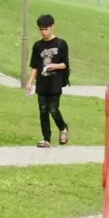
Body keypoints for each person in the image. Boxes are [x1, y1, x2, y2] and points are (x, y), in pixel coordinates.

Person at [25, 14, 72, 146]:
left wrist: (53, 66)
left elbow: (65, 64)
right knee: (43, 110)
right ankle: (46, 139)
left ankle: (63, 128)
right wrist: (30, 82)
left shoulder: (61, 44)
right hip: (42, 82)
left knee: (53, 109)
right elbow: (35, 66)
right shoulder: (37, 46)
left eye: (46, 29)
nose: (44, 32)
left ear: (52, 27)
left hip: (55, 82)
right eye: (41, 29)